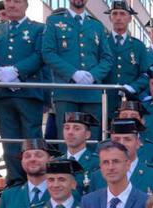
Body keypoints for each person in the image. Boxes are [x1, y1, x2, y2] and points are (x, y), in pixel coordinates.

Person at [0, 0, 46, 188]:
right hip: (4, 94)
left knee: (32, 139)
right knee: (9, 141)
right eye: (8, 1)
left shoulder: (38, 29)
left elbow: (40, 54)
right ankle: (15, 180)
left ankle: (35, 179)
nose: (12, 5)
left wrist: (17, 71)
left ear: (26, 5)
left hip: (29, 92)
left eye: (17, 1)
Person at [42, 0, 112, 141]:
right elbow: (48, 52)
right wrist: (73, 73)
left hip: (92, 93)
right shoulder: (55, 21)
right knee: (67, 141)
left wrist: (93, 75)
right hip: (66, 91)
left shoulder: (96, 25)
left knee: (92, 141)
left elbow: (107, 58)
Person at [103, 1, 150, 115]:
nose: (118, 18)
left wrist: (133, 87)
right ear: (110, 18)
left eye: (122, 14)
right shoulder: (102, 42)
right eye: (115, 14)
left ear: (130, 18)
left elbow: (146, 74)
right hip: (104, 101)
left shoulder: (138, 46)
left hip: (129, 104)